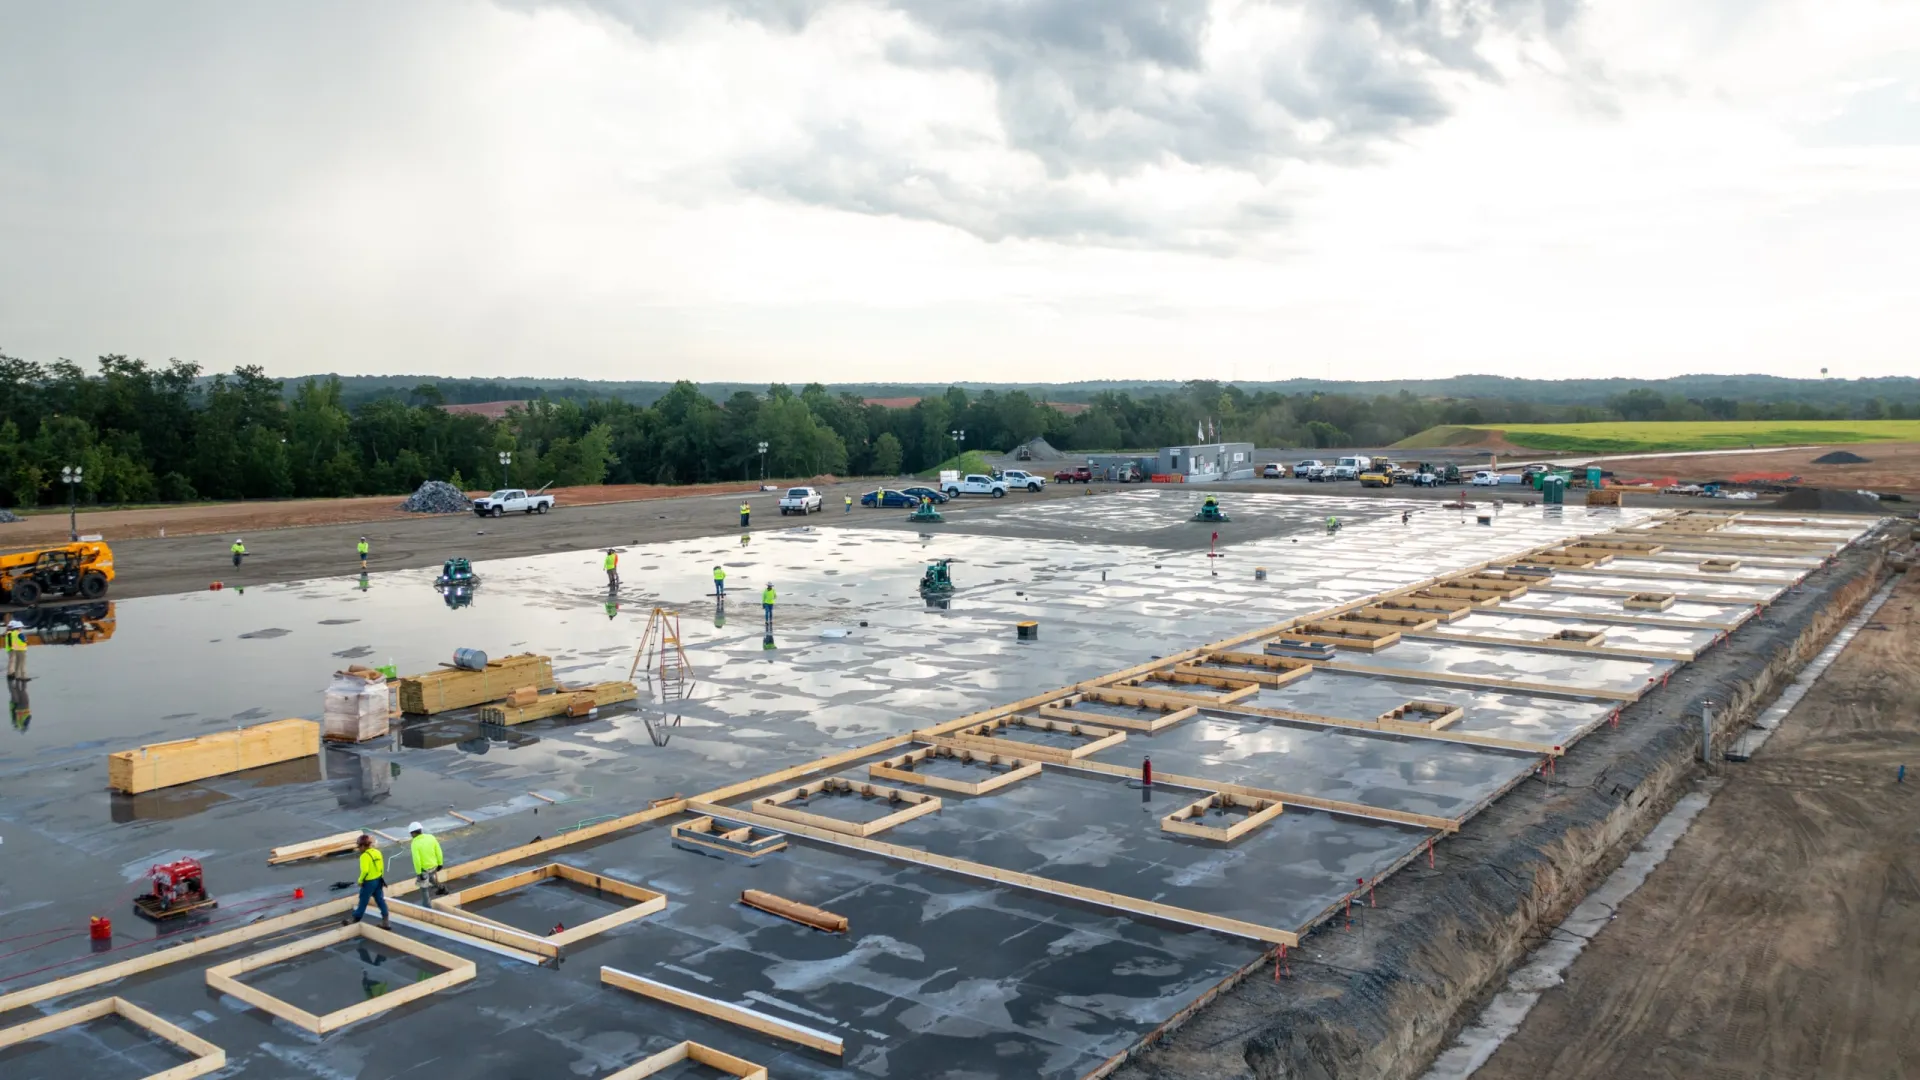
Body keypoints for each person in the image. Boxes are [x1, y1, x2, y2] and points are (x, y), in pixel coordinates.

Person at [344, 834, 389, 929]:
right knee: (380, 900)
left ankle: (355, 918)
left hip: (369, 882)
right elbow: (381, 866)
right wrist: (380, 877)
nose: (359, 849)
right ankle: (385, 921)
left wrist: (360, 880)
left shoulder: (364, 856)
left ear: (364, 846)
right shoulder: (377, 852)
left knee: (363, 900)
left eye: (359, 846)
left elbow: (365, 871)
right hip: (378, 880)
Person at [408, 822, 445, 897]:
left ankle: (427, 906)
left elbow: (417, 860)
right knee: (431, 878)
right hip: (434, 866)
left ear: (413, 833)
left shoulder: (415, 843)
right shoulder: (431, 837)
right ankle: (442, 890)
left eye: (411, 834)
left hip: (424, 870)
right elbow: (438, 851)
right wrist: (440, 863)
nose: (411, 835)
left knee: (424, 889)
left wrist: (419, 873)